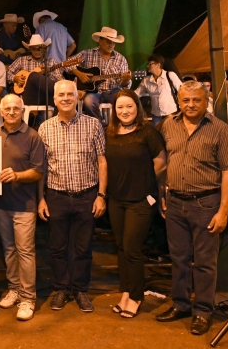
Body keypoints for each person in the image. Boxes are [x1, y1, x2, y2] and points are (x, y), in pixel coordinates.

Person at [155, 81, 228, 335]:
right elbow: (163, 161)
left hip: (206, 204)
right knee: (178, 259)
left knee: (205, 262)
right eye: (186, 100)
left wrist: (223, 212)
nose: (190, 105)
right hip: (175, 202)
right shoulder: (168, 125)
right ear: (179, 101)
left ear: (206, 102)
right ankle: (181, 304)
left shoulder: (220, 130)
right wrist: (161, 192)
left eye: (196, 100)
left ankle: (203, 311)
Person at [38, 80, 107, 313]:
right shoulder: (45, 128)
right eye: (61, 95)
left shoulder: (93, 125)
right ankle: (60, 289)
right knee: (57, 248)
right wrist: (41, 198)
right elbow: (42, 167)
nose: (66, 98)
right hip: (56, 195)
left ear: (78, 97)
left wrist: (101, 195)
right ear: (54, 99)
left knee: (83, 248)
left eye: (70, 94)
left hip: (86, 195)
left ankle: (80, 289)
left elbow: (102, 162)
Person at [104, 90, 166, 318]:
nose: (124, 111)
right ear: (114, 110)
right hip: (116, 199)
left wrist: (144, 180)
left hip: (140, 200)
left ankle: (136, 296)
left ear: (137, 108)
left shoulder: (147, 132)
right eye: (120, 107)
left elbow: (161, 162)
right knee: (121, 248)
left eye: (129, 106)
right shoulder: (110, 132)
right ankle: (126, 292)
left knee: (132, 249)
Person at [0, 94, 46, 321]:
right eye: (7, 109)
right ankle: (14, 289)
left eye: (16, 108)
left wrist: (16, 175)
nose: (12, 112)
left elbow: (38, 172)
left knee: (25, 251)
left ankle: (28, 298)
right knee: (9, 249)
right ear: (1, 112)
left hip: (24, 205)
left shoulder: (33, 137)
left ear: (23, 111)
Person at [66, 27, 132, 121]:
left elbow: (125, 86)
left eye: (113, 43)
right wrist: (79, 73)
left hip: (113, 91)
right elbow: (67, 63)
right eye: (108, 42)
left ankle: (116, 125)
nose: (111, 45)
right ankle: (99, 125)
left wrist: (126, 80)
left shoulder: (121, 59)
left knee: (123, 100)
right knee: (88, 102)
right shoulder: (87, 54)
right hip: (93, 92)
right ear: (100, 41)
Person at [7, 34, 64, 123]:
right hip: (29, 96)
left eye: (39, 48)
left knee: (59, 100)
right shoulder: (22, 60)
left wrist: (50, 74)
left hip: (45, 96)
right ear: (30, 49)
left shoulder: (51, 62)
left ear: (44, 49)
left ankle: (52, 126)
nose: (37, 51)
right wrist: (15, 78)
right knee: (33, 76)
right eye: (34, 49)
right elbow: (8, 73)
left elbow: (60, 80)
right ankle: (67, 89)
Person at [135, 54, 182, 127]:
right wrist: (125, 95)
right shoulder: (146, 80)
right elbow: (137, 93)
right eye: (148, 64)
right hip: (156, 114)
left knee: (172, 132)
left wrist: (181, 107)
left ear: (158, 65)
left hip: (171, 113)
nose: (147, 66)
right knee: (157, 132)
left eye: (150, 64)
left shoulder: (170, 75)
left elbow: (182, 90)